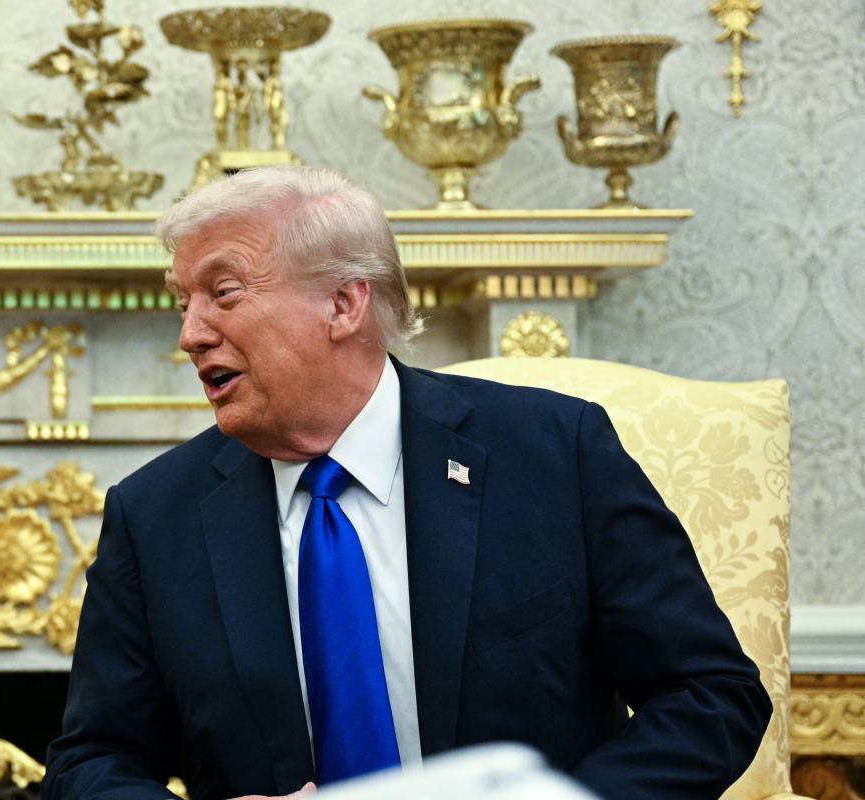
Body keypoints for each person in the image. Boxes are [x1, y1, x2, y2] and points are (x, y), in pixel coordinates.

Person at [43, 167, 769, 800]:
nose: (190, 334)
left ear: (344, 304)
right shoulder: (155, 515)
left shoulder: (553, 454)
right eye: (183, 302)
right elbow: (93, 759)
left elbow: (711, 697)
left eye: (223, 293)